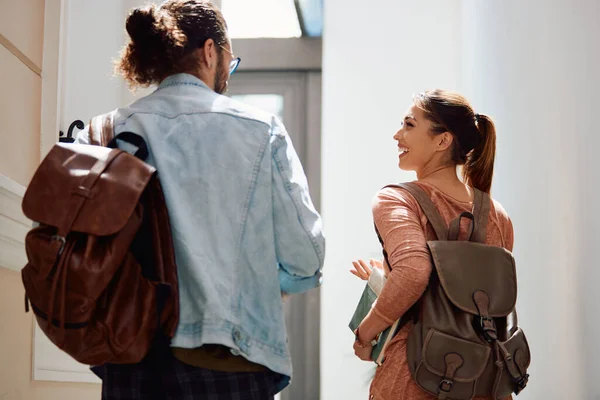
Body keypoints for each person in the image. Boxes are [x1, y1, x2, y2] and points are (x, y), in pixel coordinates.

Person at [76, 1, 325, 398]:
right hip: (228, 360)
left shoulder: (105, 131)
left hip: (129, 356)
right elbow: (306, 256)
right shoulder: (262, 131)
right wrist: (260, 278)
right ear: (211, 51)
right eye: (231, 60)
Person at [350, 89, 513, 400]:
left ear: (442, 141)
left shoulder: (397, 199)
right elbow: (471, 295)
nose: (397, 134)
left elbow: (414, 272)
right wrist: (388, 278)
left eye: (409, 125)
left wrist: (366, 333)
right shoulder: (496, 214)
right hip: (485, 380)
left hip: (415, 377)